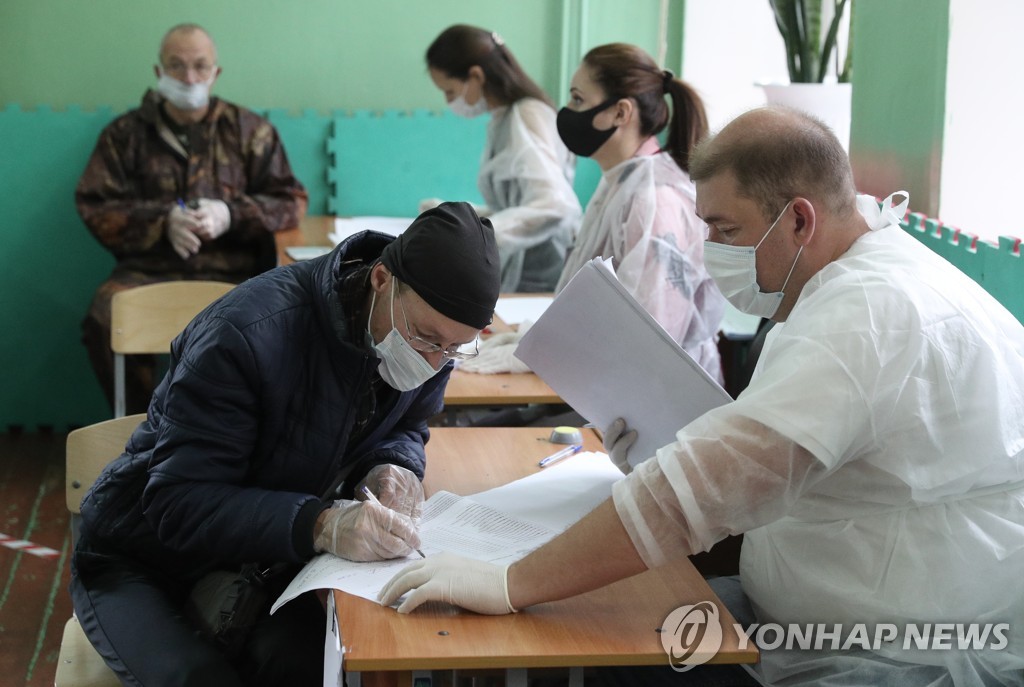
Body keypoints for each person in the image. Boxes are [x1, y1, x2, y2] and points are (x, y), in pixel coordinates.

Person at [379, 108, 1024, 687]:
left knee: (577, 640)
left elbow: (703, 489)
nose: (711, 250)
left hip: (893, 651)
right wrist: (666, 446)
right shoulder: (858, 280)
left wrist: (510, 581)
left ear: (799, 219)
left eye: (725, 229)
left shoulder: (868, 316)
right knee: (601, 622)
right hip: (816, 609)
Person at [70, 202, 501, 687]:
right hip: (142, 558)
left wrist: (394, 467)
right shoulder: (246, 335)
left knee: (313, 668)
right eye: (428, 339)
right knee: (197, 679)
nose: (434, 360)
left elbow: (406, 425)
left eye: (453, 350)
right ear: (381, 280)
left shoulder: (426, 343)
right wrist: (322, 523)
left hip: (261, 557)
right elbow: (178, 503)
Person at [76, 23, 308, 415]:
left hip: (235, 276)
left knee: (286, 323)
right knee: (103, 318)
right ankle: (143, 428)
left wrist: (232, 215)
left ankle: (232, 430)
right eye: (176, 66)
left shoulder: (250, 131)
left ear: (216, 73)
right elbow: (95, 204)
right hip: (147, 272)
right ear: (158, 72)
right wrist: (160, 222)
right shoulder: (124, 135)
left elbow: (291, 201)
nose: (189, 77)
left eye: (200, 66)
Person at [462, 43, 725, 383]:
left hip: (657, 402)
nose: (568, 110)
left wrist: (550, 351)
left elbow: (650, 340)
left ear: (620, 113)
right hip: (607, 384)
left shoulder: (655, 198)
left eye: (578, 99)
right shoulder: (621, 180)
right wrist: (542, 339)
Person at [425, 24, 582, 293]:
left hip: (544, 270)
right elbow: (518, 205)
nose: (448, 101)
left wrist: (478, 233)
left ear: (475, 75)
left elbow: (554, 205)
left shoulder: (526, 115)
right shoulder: (504, 118)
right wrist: (460, 216)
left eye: (450, 91)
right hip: (526, 263)